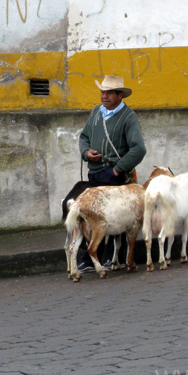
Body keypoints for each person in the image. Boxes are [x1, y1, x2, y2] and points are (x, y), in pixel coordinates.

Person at [77, 75, 147, 273]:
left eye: (109, 92)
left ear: (120, 95)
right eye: (102, 92)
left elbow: (139, 149)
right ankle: (93, 258)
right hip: (95, 174)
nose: (104, 96)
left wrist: (118, 168)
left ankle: (114, 258)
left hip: (115, 175)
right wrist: (86, 152)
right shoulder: (96, 113)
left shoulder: (128, 117)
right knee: (94, 218)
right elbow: (84, 137)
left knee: (116, 218)